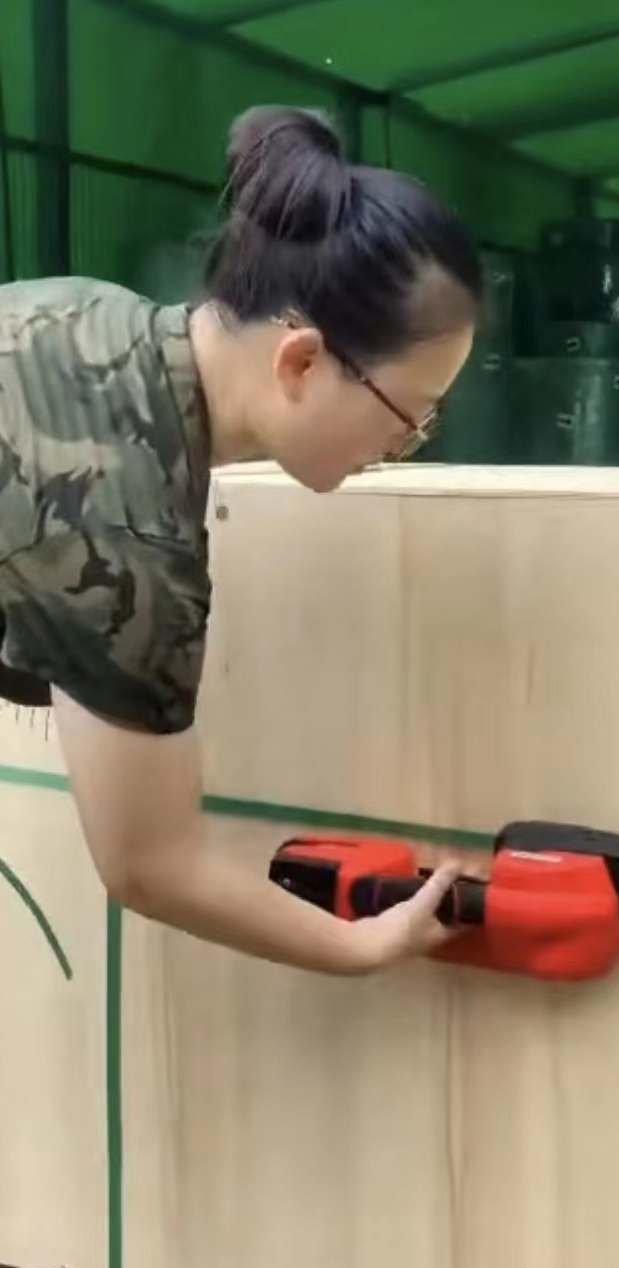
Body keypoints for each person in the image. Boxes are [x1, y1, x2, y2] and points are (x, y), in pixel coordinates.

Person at [0, 104, 482, 985]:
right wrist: (363, 944)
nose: (400, 447)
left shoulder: (90, 313)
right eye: (406, 418)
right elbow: (149, 864)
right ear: (301, 362)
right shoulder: (131, 535)